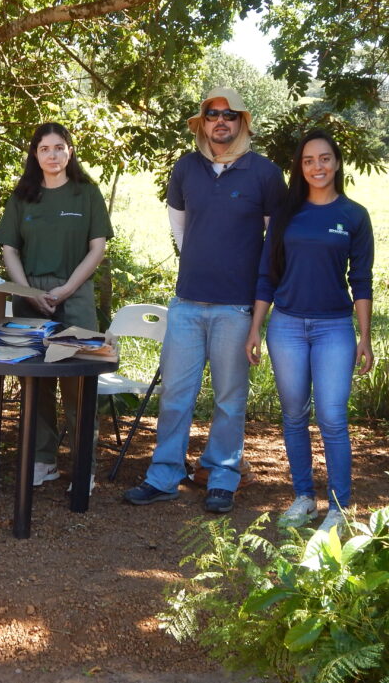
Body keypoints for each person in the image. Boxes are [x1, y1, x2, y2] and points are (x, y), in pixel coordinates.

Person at [123, 87, 285, 513]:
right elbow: (180, 230)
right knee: (175, 394)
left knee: (230, 397)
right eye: (213, 114)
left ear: (242, 123)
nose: (221, 122)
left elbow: (274, 243)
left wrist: (256, 304)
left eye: (230, 115)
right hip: (187, 303)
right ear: (203, 122)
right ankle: (164, 475)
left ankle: (222, 475)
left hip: (235, 306)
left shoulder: (265, 173)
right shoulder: (186, 168)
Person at [245, 130, 373, 533]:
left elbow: (363, 280)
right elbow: (266, 275)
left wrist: (364, 337)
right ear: (300, 167)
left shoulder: (354, 215)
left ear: (336, 163)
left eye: (324, 159)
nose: (317, 167)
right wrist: (255, 329)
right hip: (285, 326)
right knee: (294, 415)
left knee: (332, 418)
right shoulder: (286, 215)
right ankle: (303, 497)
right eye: (308, 160)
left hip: (334, 327)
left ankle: (338, 506)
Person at [0, 123, 114, 489]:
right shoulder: (23, 196)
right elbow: (8, 249)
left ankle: (83, 467)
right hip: (30, 296)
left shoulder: (86, 194)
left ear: (70, 152)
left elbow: (97, 248)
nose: (53, 155)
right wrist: (27, 291)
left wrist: (66, 290)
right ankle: (43, 460)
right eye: (45, 149)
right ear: (35, 155)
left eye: (59, 147)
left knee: (78, 382)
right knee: (35, 382)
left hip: (74, 295)